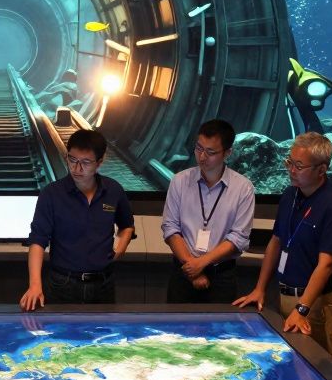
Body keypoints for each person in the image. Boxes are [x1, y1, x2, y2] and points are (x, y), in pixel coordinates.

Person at [233, 132, 332, 355]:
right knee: (289, 360)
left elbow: (326, 264)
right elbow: (276, 241)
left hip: (313, 302)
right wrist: (260, 288)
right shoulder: (290, 195)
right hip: (284, 295)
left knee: (316, 368)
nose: (291, 170)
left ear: (321, 170)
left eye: (299, 165)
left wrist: (302, 308)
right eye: (289, 162)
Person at [20, 129, 135, 310]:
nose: (76, 168)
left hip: (103, 285)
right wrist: (35, 284)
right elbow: (37, 241)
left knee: (104, 337)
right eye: (72, 160)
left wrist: (121, 247)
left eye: (85, 162)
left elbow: (127, 225)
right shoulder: (51, 194)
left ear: (99, 163)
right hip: (63, 284)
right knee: (61, 337)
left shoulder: (114, 191)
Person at [160, 119, 256, 304]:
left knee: (218, 331)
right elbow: (170, 227)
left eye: (211, 152)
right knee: (177, 330)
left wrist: (201, 263)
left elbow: (238, 238)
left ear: (227, 153)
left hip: (221, 275)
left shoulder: (243, 188)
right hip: (184, 270)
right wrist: (192, 267)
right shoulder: (179, 181)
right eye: (198, 148)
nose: (202, 157)